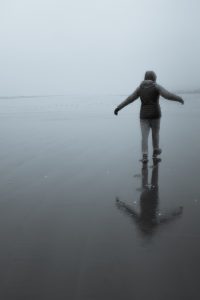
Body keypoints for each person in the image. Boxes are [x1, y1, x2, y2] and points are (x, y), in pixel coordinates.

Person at [114, 71, 184, 163]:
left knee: (144, 136)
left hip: (144, 116)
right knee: (155, 134)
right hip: (155, 115)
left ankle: (145, 156)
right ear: (154, 77)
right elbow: (167, 95)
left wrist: (118, 107)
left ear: (145, 77)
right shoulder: (156, 86)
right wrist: (179, 99)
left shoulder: (140, 88)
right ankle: (155, 152)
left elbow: (129, 99)